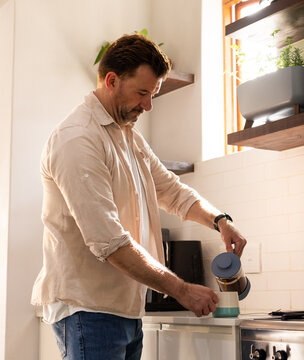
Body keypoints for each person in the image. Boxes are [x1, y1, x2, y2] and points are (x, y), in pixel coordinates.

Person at [31, 33, 247, 360]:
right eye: (143, 93)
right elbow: (110, 243)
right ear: (112, 80)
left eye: (153, 94)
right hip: (88, 311)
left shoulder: (127, 135)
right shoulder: (78, 139)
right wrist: (181, 290)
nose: (147, 105)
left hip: (126, 312)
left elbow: (173, 192)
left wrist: (220, 222)